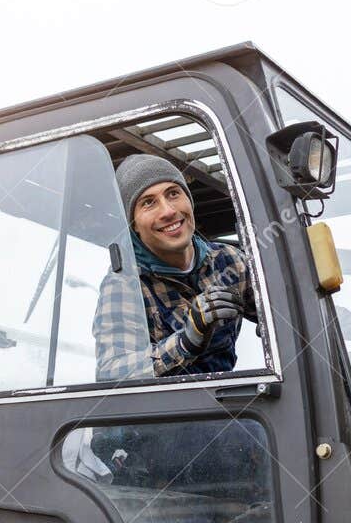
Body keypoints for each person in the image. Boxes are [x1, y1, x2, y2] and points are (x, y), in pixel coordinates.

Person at [93, 153, 258, 381]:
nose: (168, 211)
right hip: (170, 411)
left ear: (189, 201)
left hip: (231, 400)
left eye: (173, 194)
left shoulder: (230, 260)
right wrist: (186, 341)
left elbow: (281, 311)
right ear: (134, 226)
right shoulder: (125, 284)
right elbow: (111, 372)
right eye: (148, 202)